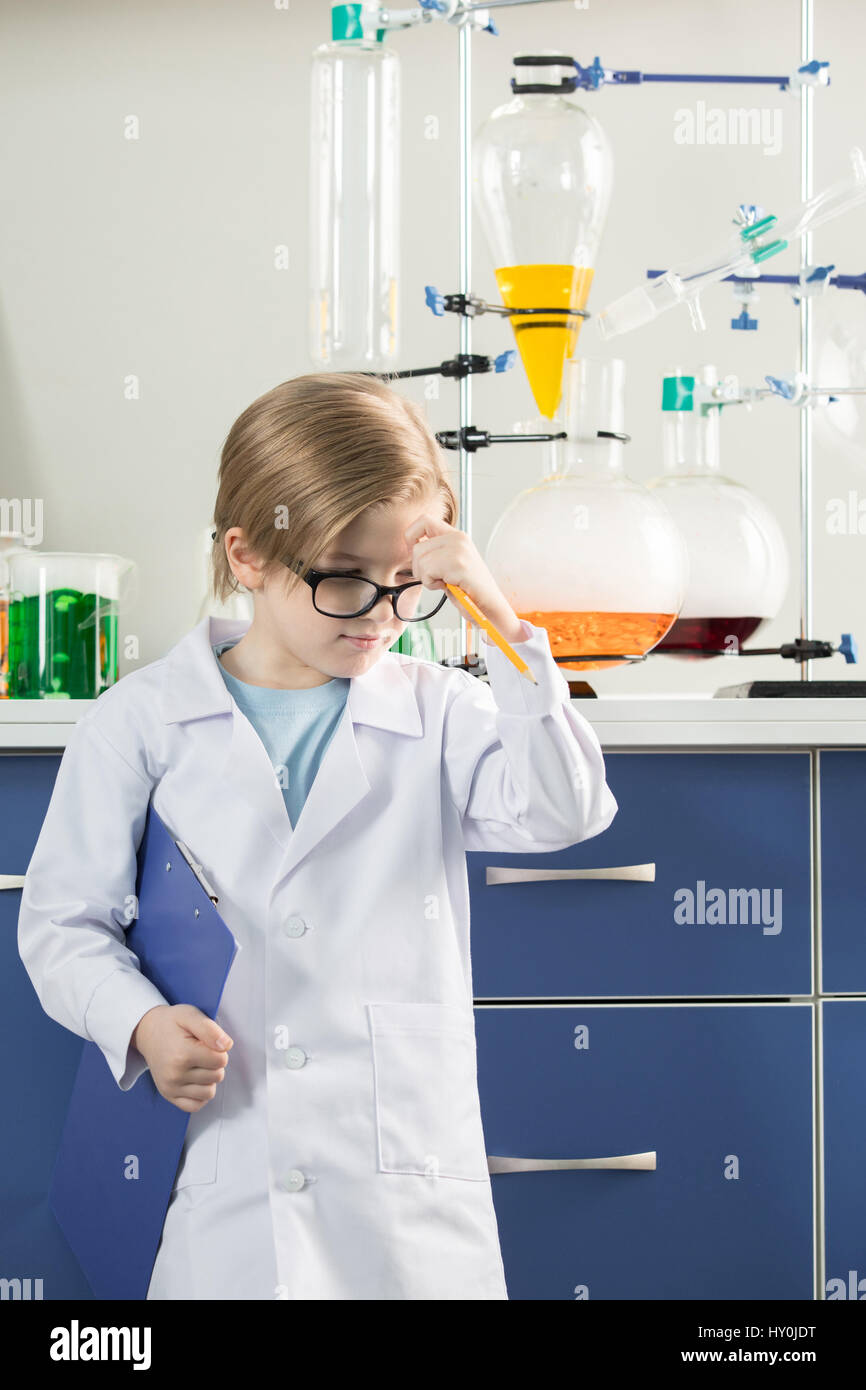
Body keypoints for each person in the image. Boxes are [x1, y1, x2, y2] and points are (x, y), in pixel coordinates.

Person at [18, 371, 618, 1300]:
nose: (382, 615)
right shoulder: (140, 721)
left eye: (407, 585)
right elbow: (62, 925)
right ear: (248, 554)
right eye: (346, 581)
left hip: (409, 1204)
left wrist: (500, 619)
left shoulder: (440, 711)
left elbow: (565, 809)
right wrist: (137, 1021)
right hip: (231, 1182)